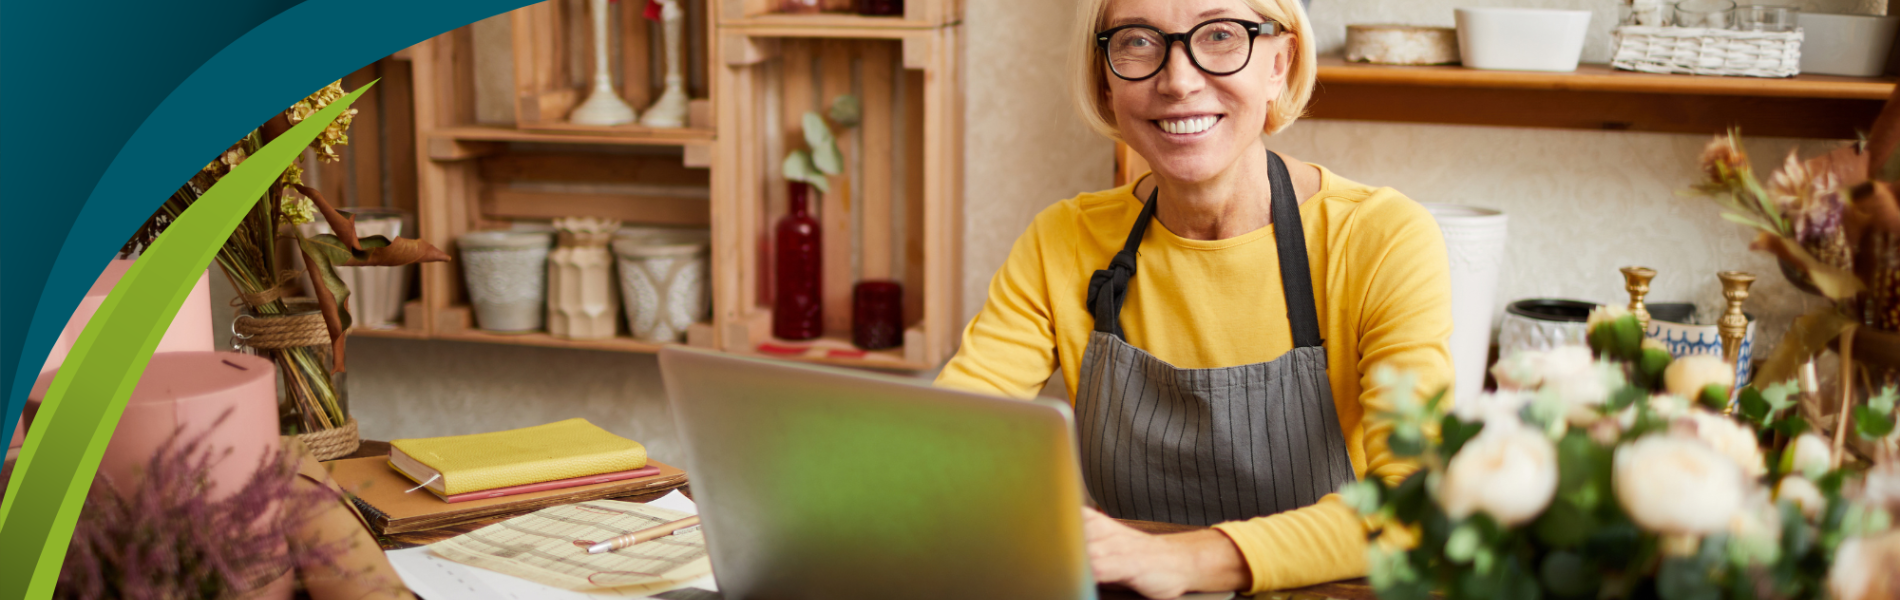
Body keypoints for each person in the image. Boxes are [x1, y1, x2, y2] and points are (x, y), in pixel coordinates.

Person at [933, 0, 1454, 597]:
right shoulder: (1064, 241)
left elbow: (1414, 499)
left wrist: (1186, 561)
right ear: (1104, 80)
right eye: (1136, 42)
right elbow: (950, 442)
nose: (1178, 81)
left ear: (1279, 64)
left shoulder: (1380, 238)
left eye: (1221, 35)